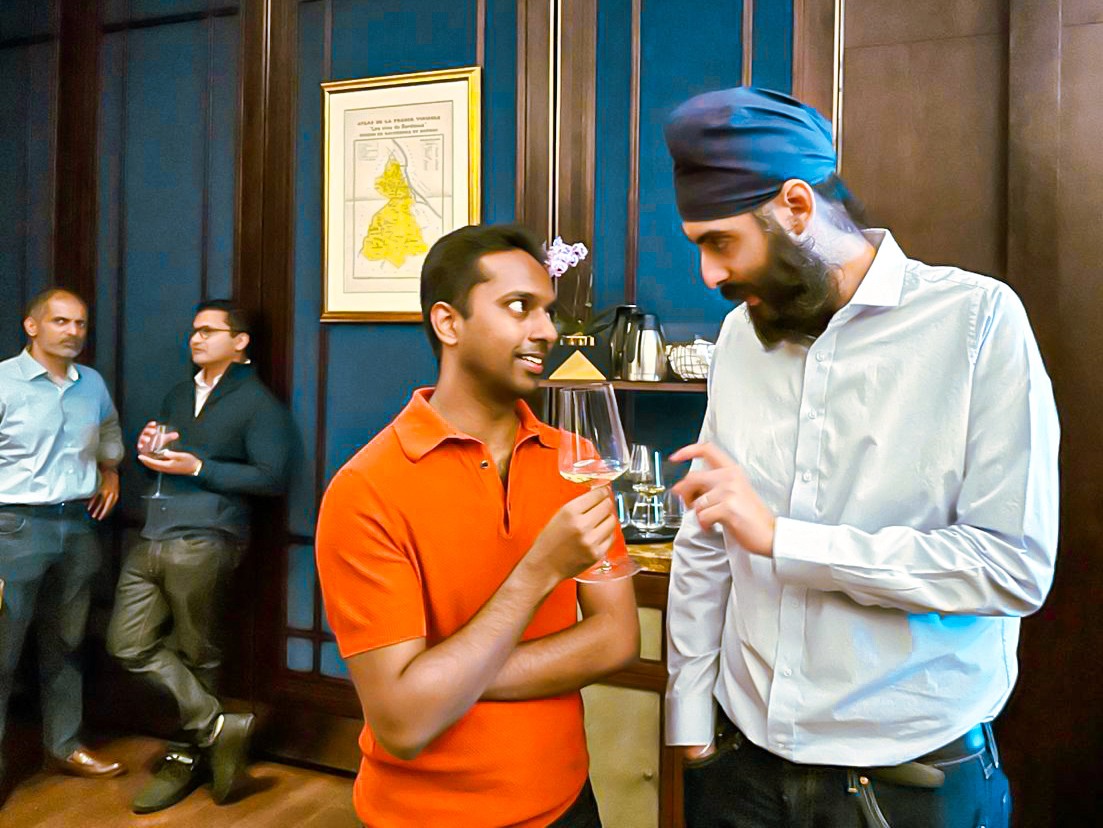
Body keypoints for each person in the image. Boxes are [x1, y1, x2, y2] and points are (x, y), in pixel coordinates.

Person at [661, 87, 1059, 827]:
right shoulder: (741, 339)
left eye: (719, 243)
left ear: (796, 207)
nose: (708, 276)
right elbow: (707, 537)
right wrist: (689, 724)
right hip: (739, 769)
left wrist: (784, 541)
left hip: (907, 790)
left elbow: (1011, 566)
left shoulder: (978, 322)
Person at [315, 224, 641, 828]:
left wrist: (443, 683)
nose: (547, 331)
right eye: (519, 307)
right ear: (448, 323)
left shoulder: (576, 461)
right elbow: (404, 725)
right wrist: (539, 571)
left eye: (547, 311)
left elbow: (617, 639)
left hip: (568, 803)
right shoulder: (365, 491)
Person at [106, 299, 293, 813]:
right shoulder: (177, 393)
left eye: (209, 331)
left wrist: (197, 467)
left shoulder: (257, 403)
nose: (196, 338)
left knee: (198, 652)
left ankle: (187, 756)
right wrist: (151, 450)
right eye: (194, 330)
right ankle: (216, 726)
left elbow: (273, 477)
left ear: (240, 341)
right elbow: (165, 459)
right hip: (153, 533)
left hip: (206, 537)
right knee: (126, 643)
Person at [0, 288, 126, 793]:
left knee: (68, 643)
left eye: (80, 323)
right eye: (60, 321)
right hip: (15, 528)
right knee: (2, 652)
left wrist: (110, 469)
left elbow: (109, 427)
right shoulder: (4, 381)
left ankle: (65, 745)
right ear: (32, 326)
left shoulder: (90, 383)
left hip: (77, 526)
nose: (73, 331)